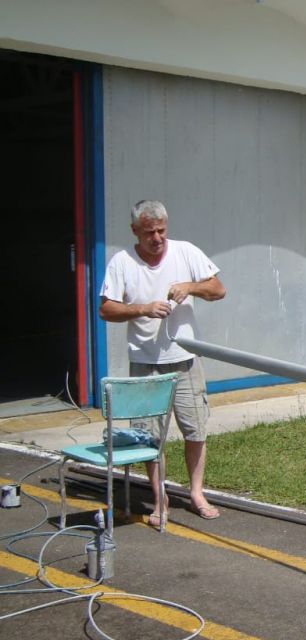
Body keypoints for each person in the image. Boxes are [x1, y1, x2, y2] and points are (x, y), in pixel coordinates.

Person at [99, 200, 226, 526]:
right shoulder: (121, 263)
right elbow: (106, 309)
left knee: (195, 428)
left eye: (161, 231)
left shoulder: (185, 252)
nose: (156, 238)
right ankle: (160, 498)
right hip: (145, 364)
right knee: (149, 438)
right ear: (134, 232)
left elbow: (218, 289)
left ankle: (197, 492)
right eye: (148, 232)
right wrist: (143, 309)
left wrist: (190, 287)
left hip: (185, 360)